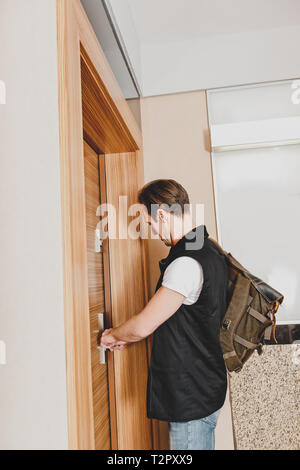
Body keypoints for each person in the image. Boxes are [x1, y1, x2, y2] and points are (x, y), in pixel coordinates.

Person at [100, 179, 228, 450]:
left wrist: (112, 335)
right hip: (206, 384)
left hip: (192, 397)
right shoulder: (209, 248)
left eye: (150, 224)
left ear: (161, 214)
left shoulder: (185, 264)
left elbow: (143, 325)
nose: (153, 231)